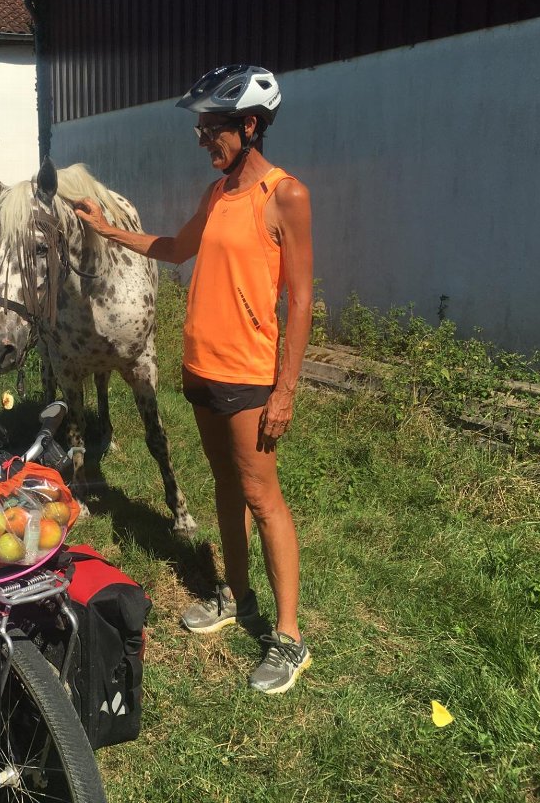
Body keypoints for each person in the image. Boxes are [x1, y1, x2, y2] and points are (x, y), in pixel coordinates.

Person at [73, 64, 314, 694]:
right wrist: (107, 229)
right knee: (224, 491)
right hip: (201, 367)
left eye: (213, 129)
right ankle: (236, 596)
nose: (203, 140)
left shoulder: (284, 194)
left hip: (249, 376)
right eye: (202, 129)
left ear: (251, 125)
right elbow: (177, 249)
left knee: (263, 498)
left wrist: (285, 390)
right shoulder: (219, 195)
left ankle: (288, 637)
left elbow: (302, 300)